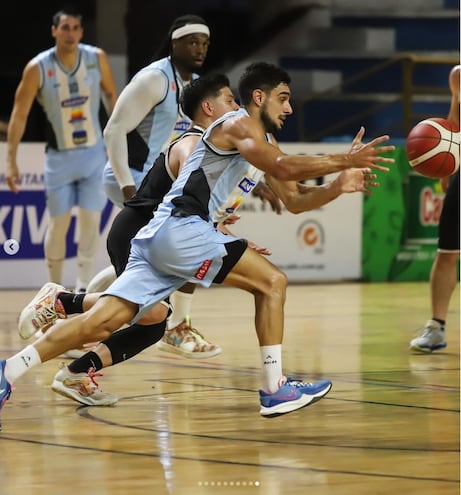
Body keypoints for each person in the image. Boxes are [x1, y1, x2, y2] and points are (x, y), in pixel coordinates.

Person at [0, 62, 395, 420]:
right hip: (180, 228)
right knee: (272, 282)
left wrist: (338, 186)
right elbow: (282, 166)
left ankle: (8, 371)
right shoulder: (238, 124)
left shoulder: (262, 144)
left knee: (102, 321)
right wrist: (344, 160)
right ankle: (275, 390)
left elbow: (293, 200)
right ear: (259, 97)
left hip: (162, 236)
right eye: (283, 98)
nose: (289, 109)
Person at [20, 73, 242, 406]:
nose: (236, 107)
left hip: (154, 235)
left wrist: (215, 223)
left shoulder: (211, 148)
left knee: (153, 326)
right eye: (230, 99)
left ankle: (77, 373)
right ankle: (62, 303)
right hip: (139, 230)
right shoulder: (193, 143)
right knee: (141, 313)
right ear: (208, 108)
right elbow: (183, 202)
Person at [88, 13, 280, 356]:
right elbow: (113, 130)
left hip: (165, 181)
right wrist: (129, 189)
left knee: (148, 261)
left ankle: (75, 306)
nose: (200, 49)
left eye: (205, 43)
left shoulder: (192, 84)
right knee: (170, 254)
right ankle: (172, 326)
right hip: (134, 178)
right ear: (173, 42)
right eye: (192, 42)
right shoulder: (153, 79)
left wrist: (252, 181)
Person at [4, 8, 118, 292]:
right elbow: (19, 114)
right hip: (59, 158)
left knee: (91, 221)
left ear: (81, 31)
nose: (71, 33)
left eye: (75, 28)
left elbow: (112, 95)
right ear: (54, 31)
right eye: (65, 28)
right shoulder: (38, 67)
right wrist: (12, 160)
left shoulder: (96, 58)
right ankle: (52, 289)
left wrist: (118, 139)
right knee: (59, 224)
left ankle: (82, 289)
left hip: (94, 154)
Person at [409, 65, 460, 353]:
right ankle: (436, 328)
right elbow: (455, 121)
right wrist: (448, 168)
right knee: (447, 252)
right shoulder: (458, 76)